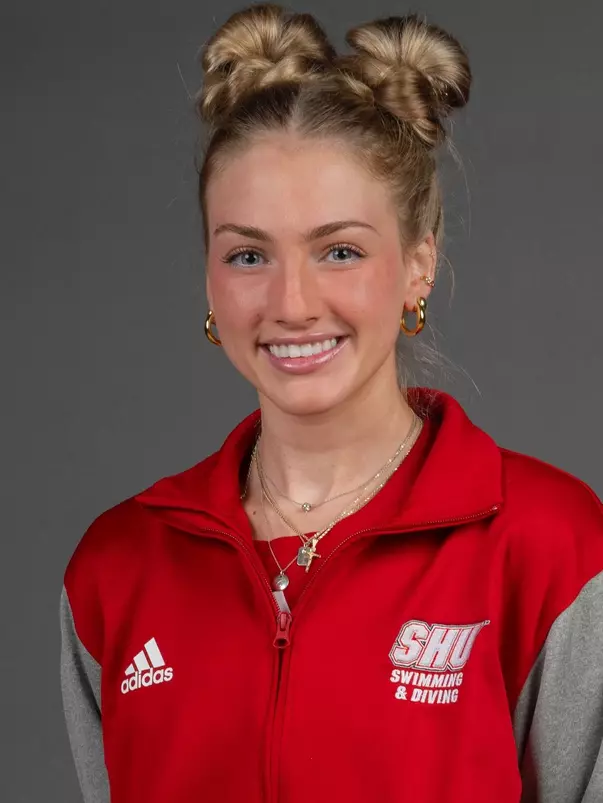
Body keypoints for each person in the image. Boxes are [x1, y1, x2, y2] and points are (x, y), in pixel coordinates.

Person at [60, 4, 603, 803]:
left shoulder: (550, 548)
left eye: (338, 250)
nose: (291, 301)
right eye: (248, 254)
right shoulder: (117, 568)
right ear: (209, 278)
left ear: (418, 264)